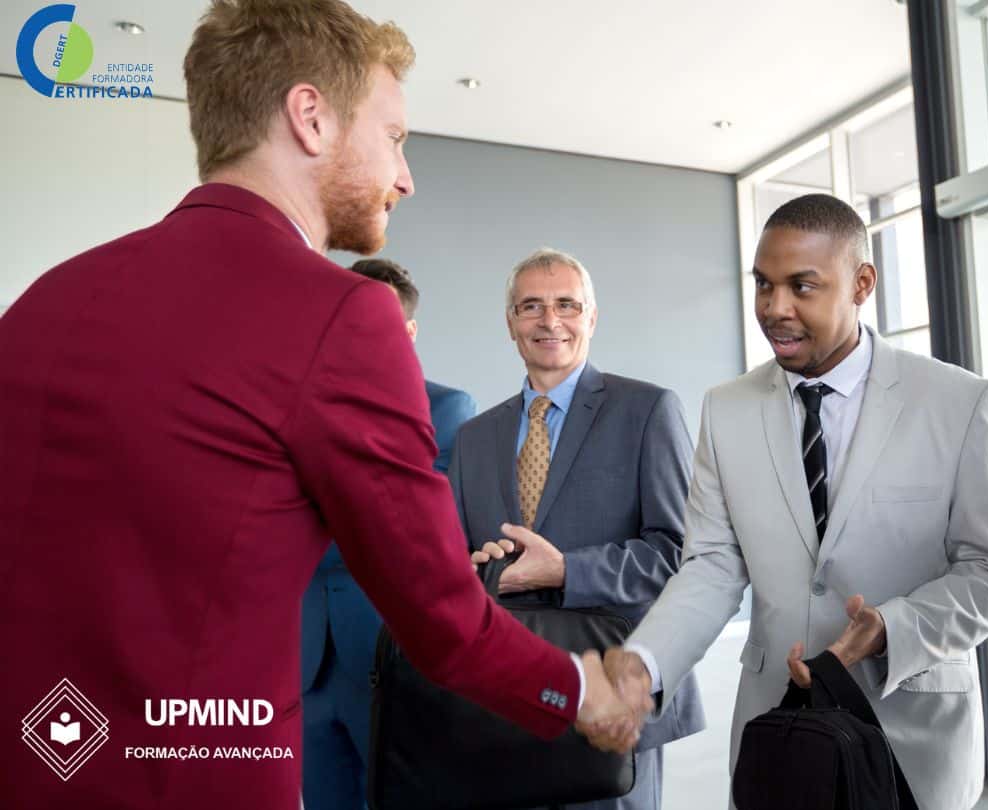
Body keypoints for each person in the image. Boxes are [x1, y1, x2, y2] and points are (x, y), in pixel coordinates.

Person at [0, 2, 635, 808]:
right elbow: (442, 622)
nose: (405, 176)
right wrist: (582, 694)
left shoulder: (44, 300)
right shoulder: (342, 315)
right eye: (395, 136)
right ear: (311, 118)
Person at [604, 194, 988, 810]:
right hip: (776, 737)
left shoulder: (959, 402)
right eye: (763, 285)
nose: (775, 309)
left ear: (862, 283)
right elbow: (713, 566)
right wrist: (645, 663)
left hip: (912, 739)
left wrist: (891, 627)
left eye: (802, 286)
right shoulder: (726, 409)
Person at [455, 248, 705, 810]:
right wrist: (484, 566)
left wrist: (566, 570)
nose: (550, 321)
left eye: (567, 304)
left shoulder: (647, 410)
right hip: (505, 696)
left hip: (611, 689)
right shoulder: (473, 438)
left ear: (591, 318)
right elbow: (458, 561)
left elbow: (681, 555)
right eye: (532, 307)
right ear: (511, 324)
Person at [300, 257, 479, 810]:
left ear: (409, 331)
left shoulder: (446, 409)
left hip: (389, 651)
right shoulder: (300, 407)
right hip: (305, 657)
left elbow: (412, 531)